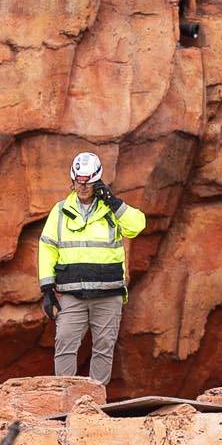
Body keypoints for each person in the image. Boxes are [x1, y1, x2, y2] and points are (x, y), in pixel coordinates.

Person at [38, 151, 147, 385]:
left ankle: (95, 404)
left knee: (104, 348)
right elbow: (47, 247)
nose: (82, 186)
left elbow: (137, 226)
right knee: (65, 344)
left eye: (87, 182)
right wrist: (47, 289)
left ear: (97, 180)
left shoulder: (111, 210)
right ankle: (64, 399)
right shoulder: (60, 211)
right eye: (79, 181)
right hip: (71, 295)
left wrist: (115, 203)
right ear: (73, 180)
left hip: (108, 294)